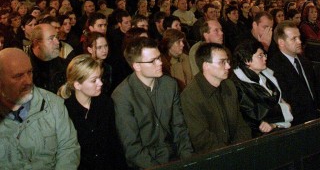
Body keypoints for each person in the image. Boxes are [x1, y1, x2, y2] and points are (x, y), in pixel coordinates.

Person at [112, 37, 193, 169]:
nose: (160, 63)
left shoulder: (170, 84)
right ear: (136, 66)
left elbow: (180, 128)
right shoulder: (122, 95)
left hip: (174, 157)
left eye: (159, 58)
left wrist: (188, 161)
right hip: (145, 164)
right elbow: (132, 148)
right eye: (152, 61)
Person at [0, 47, 80, 169]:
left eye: (29, 72)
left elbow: (68, 148)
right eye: (18, 76)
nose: (27, 81)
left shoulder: (53, 105)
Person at [180, 43, 250, 154]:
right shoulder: (191, 96)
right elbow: (201, 138)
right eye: (222, 62)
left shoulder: (229, 85)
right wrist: (229, 153)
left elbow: (240, 125)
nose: (228, 66)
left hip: (236, 151)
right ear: (206, 66)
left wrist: (239, 148)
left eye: (228, 61)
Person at [59, 55, 126, 170]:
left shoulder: (105, 103)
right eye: (94, 80)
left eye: (100, 78)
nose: (100, 83)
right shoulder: (64, 111)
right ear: (77, 84)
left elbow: (114, 143)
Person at [232, 40, 293, 137]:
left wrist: (274, 124)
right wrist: (285, 108)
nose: (265, 58)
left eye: (264, 55)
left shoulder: (266, 75)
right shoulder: (238, 85)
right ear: (247, 61)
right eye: (260, 56)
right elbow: (253, 114)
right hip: (255, 135)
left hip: (277, 128)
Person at [268, 21, 320, 125]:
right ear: (281, 42)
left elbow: (314, 89)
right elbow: (287, 99)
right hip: (298, 123)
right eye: (294, 39)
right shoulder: (275, 67)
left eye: (299, 37)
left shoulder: (304, 61)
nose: (299, 41)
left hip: (314, 117)